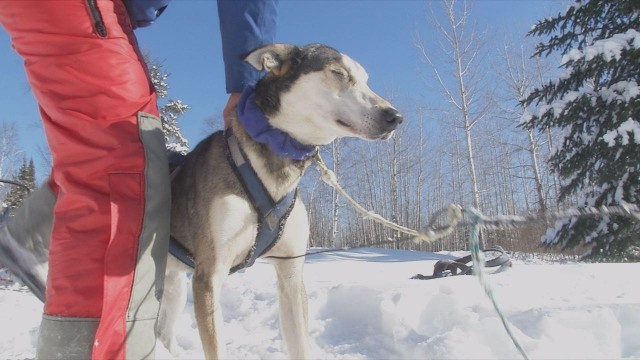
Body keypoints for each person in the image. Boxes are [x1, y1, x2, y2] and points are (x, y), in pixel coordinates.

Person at [0, 0, 277, 359]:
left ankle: (29, 238)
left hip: (83, 14)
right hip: (84, 11)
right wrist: (248, 81)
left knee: (102, 160)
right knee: (120, 173)